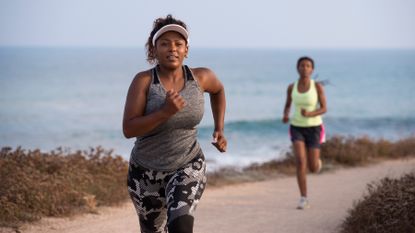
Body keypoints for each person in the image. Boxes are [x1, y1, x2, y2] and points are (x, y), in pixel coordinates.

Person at [123, 15, 227, 233]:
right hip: (144, 172)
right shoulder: (143, 81)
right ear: (153, 51)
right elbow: (129, 129)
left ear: (186, 50)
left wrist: (219, 128)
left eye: (178, 44)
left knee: (181, 224)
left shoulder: (201, 77)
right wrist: (164, 112)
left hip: (187, 164)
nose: (172, 48)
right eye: (164, 44)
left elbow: (218, 91)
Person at [282, 56, 327, 209]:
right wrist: (286, 114)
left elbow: (324, 108)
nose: (305, 68)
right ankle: (303, 198)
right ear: (297, 68)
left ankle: (317, 164)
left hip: (314, 128)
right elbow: (288, 104)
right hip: (297, 127)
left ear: (312, 69)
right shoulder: (291, 87)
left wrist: (310, 114)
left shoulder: (317, 87)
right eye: (302, 65)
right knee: (301, 161)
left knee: (313, 167)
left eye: (308, 66)